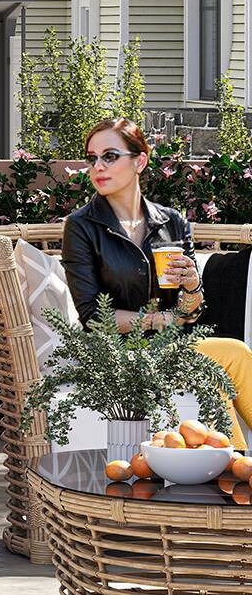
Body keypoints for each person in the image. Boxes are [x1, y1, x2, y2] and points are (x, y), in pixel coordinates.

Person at [60, 115, 252, 443]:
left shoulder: (172, 222)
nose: (98, 167)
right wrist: (159, 320)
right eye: (92, 158)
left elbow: (192, 312)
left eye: (110, 156)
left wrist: (192, 285)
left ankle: (232, 464)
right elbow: (93, 316)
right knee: (221, 362)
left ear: (140, 161)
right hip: (118, 354)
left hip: (175, 348)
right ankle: (234, 466)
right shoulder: (81, 227)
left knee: (229, 357)